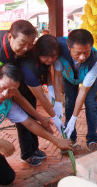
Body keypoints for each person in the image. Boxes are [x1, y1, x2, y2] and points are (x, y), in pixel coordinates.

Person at [0, 63, 73, 187]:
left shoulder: (7, 103)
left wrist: (57, 141)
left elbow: (29, 123)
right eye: (3, 87)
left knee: (7, 177)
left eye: (12, 91)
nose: (5, 94)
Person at [0, 20, 54, 149]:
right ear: (10, 37)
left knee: (25, 113)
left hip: (9, 78)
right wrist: (41, 118)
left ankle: (32, 149)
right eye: (22, 43)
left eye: (30, 44)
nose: (26, 48)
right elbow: (14, 94)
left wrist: (40, 117)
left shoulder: (19, 41)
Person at [16, 35, 64, 166]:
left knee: (34, 118)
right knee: (25, 123)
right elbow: (41, 97)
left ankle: (34, 149)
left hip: (31, 91)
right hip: (20, 94)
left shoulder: (43, 61)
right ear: (38, 53)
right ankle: (26, 154)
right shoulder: (29, 67)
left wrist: (51, 89)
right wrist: (55, 117)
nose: (51, 60)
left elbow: (47, 72)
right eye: (47, 57)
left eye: (54, 56)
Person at [54, 29, 97, 153]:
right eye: (78, 53)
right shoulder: (59, 52)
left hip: (86, 77)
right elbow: (58, 77)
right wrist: (57, 102)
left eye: (86, 52)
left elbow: (83, 92)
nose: (82, 57)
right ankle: (71, 138)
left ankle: (92, 140)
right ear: (69, 47)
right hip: (69, 77)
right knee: (69, 104)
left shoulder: (95, 61)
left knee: (91, 104)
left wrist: (75, 118)